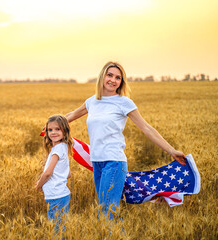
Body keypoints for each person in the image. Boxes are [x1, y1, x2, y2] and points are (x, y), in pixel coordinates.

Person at [64, 61, 186, 219]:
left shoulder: (124, 102)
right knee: (106, 209)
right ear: (102, 76)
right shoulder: (92, 101)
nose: (113, 80)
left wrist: (171, 150)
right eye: (110, 75)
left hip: (114, 162)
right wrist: (50, 126)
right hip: (97, 162)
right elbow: (70, 116)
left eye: (118, 78)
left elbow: (147, 128)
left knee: (106, 212)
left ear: (121, 82)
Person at [35, 115, 73, 233]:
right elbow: (68, 174)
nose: (53, 132)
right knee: (60, 227)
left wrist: (39, 185)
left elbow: (47, 174)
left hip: (56, 196)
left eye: (57, 129)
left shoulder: (57, 150)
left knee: (56, 230)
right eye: (50, 130)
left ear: (65, 131)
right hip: (62, 195)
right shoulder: (63, 147)